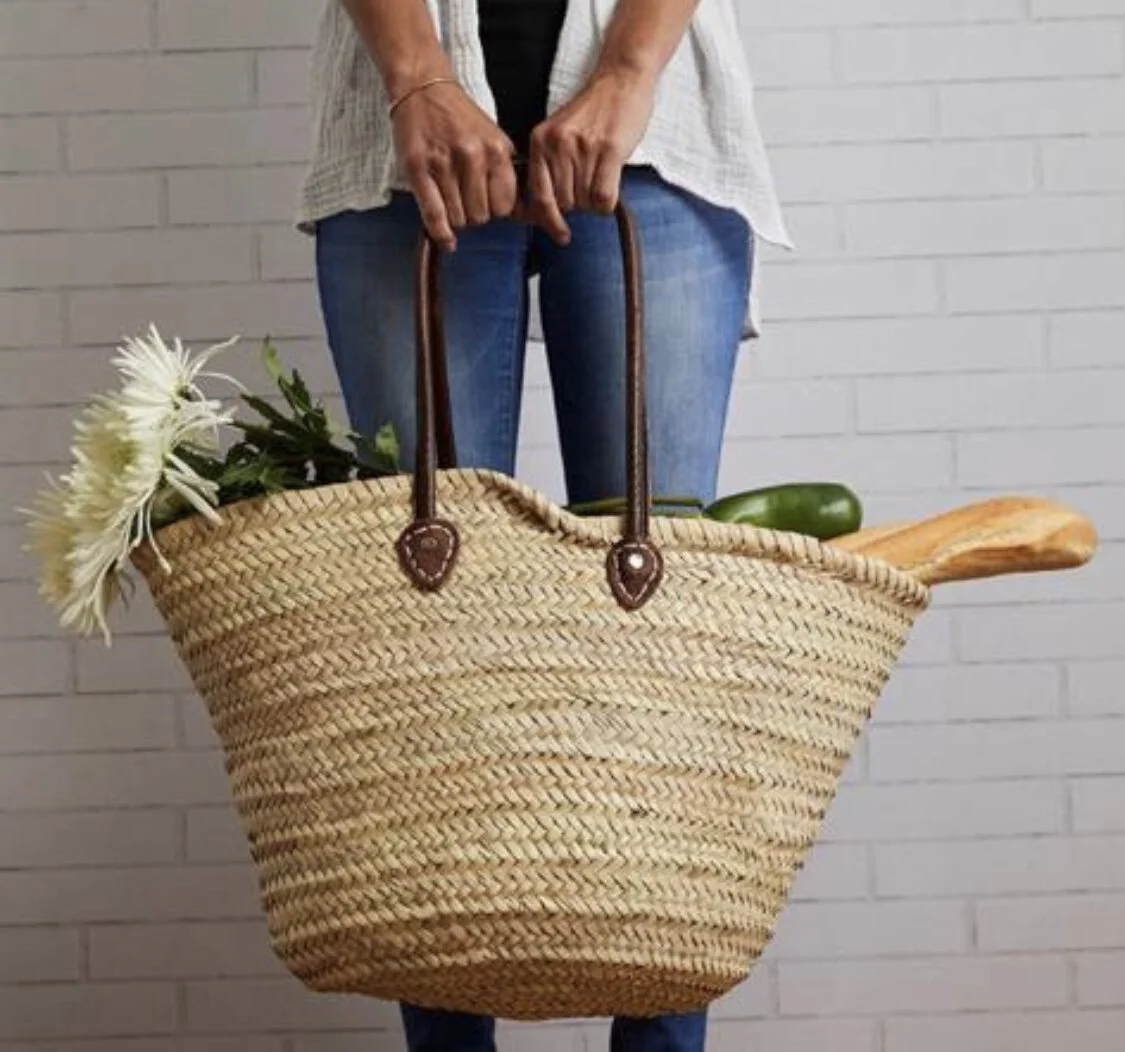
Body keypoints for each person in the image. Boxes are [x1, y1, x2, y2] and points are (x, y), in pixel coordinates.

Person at [299, 1, 789, 1049]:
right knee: (432, 656)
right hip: (404, 149)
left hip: (654, 140)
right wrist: (419, 77)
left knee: (659, 648)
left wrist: (627, 69)